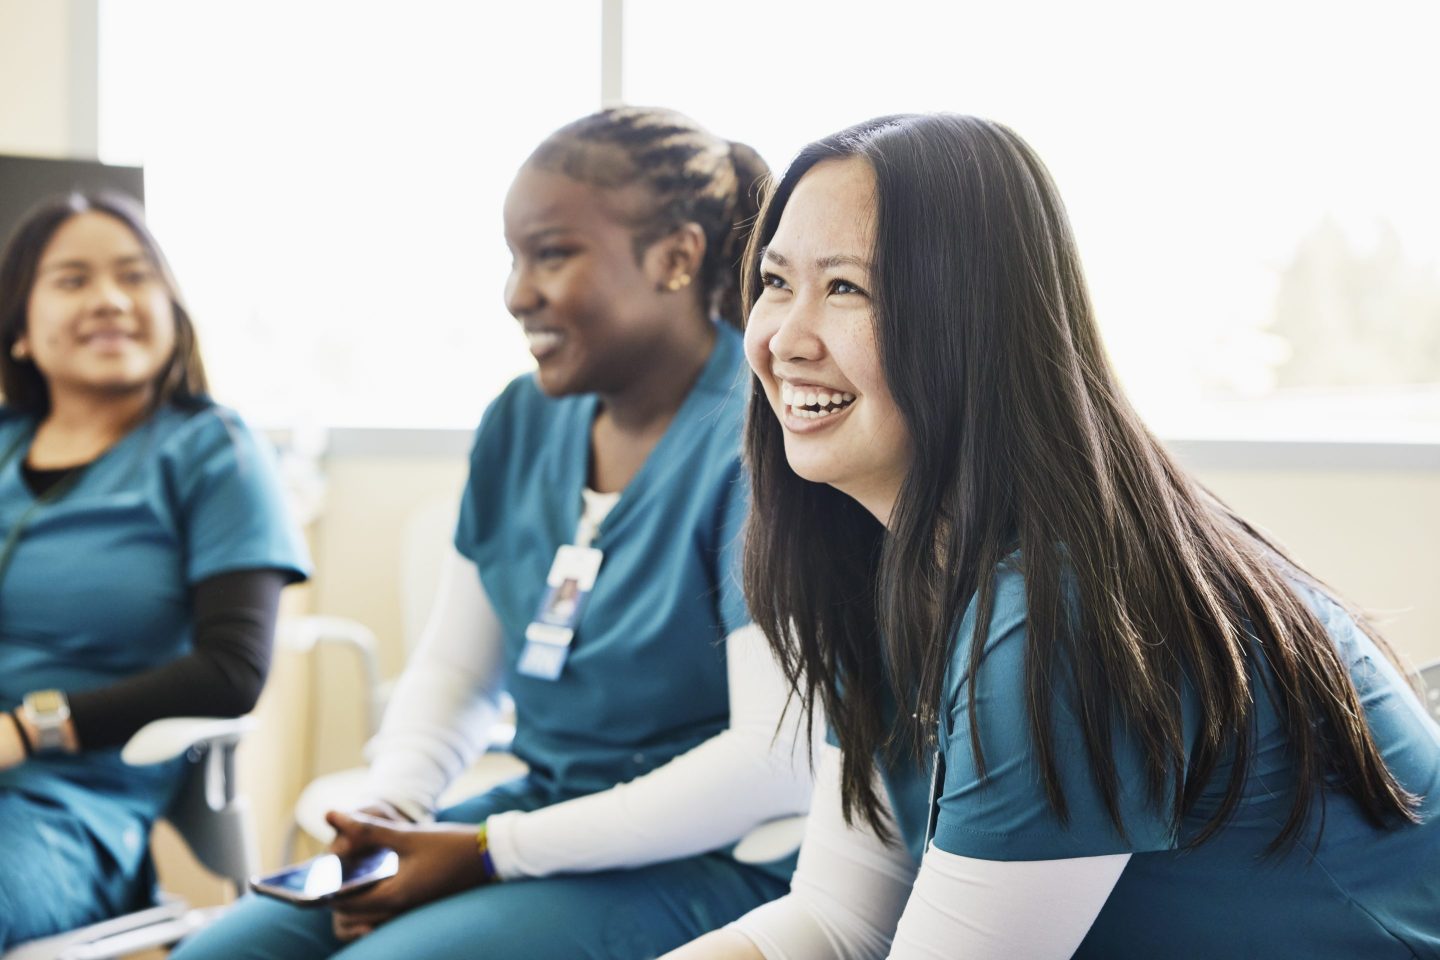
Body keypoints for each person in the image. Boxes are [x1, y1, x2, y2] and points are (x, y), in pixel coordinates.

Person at [666, 114, 1440, 960]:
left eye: (847, 288)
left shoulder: (1059, 612)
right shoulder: (889, 568)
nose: (783, 338)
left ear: (975, 324)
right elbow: (839, 922)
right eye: (776, 282)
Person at [174, 106, 812, 960]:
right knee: (221, 954)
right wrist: (395, 811)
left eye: (552, 255)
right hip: (544, 811)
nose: (517, 293)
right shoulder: (520, 420)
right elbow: (457, 670)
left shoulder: (762, 434)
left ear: (675, 257)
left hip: (717, 855)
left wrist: (488, 852)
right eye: (513, 258)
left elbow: (772, 762)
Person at [0, 191, 310, 949]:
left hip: (67, 804)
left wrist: (27, 730)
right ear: (19, 331)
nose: (110, 299)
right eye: (73, 279)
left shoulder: (213, 451)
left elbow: (232, 669)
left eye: (135, 276)